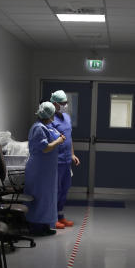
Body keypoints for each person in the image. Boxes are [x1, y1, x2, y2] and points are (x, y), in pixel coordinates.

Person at [23, 101, 66, 236]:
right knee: (39, 198)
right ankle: (36, 227)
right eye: (53, 114)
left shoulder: (46, 127)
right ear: (49, 114)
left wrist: (59, 137)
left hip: (47, 171)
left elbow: (52, 137)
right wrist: (58, 141)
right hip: (39, 170)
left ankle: (45, 224)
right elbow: (46, 148)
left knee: (48, 198)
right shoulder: (38, 128)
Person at [49, 90, 80, 229]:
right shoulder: (49, 119)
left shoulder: (66, 117)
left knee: (64, 189)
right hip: (56, 161)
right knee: (55, 190)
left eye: (66, 102)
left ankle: (61, 216)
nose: (65, 105)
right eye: (62, 103)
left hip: (67, 161)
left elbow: (69, 138)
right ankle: (53, 218)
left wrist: (72, 154)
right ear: (54, 104)